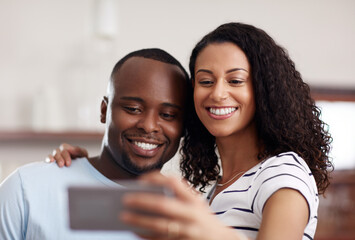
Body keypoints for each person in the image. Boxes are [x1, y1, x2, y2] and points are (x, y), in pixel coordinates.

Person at [50, 22, 333, 240]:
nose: (218, 93)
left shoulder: (283, 173)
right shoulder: (213, 192)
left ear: (264, 90)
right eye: (206, 81)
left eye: (235, 80)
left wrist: (208, 230)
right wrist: (86, 168)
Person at [0, 48, 191, 240]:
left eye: (168, 115)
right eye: (133, 109)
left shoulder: (187, 218)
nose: (149, 126)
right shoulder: (27, 189)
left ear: (183, 127)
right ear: (104, 111)